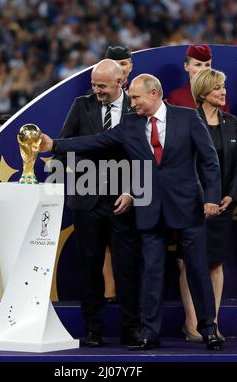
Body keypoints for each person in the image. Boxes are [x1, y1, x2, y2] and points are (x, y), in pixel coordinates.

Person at [40, 73, 223, 351]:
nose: (132, 102)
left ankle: (209, 329)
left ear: (153, 94)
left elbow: (209, 161)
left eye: (135, 97)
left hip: (187, 208)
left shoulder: (187, 117)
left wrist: (211, 198)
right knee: (151, 273)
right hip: (149, 208)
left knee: (197, 270)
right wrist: (55, 145)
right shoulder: (130, 124)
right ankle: (149, 333)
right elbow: (96, 141)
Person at [50, 59, 141, 348]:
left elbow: (145, 155)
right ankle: (93, 330)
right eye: (93, 84)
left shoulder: (135, 108)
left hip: (126, 201)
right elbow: (64, 146)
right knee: (90, 269)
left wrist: (133, 190)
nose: (97, 90)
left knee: (128, 269)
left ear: (120, 83)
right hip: (86, 200)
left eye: (102, 85)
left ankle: (132, 330)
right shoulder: (81, 105)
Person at [177, 68, 237, 343]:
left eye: (224, 87)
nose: (223, 92)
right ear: (203, 92)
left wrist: (230, 194)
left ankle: (211, 323)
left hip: (223, 206)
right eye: (217, 88)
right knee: (188, 262)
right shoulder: (188, 121)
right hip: (193, 205)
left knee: (215, 263)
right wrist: (203, 198)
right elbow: (184, 164)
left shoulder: (232, 123)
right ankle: (192, 323)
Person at [103, 45, 133, 303]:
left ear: (130, 67)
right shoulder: (93, 100)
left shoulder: (139, 99)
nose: (121, 68)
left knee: (130, 241)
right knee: (103, 241)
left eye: (124, 63)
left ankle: (128, 292)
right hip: (98, 179)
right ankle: (109, 289)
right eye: (116, 63)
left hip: (133, 180)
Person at [167, 44, 230, 112]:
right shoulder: (176, 97)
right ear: (186, 66)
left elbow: (227, 121)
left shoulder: (219, 94)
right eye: (198, 65)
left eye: (207, 65)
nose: (204, 69)